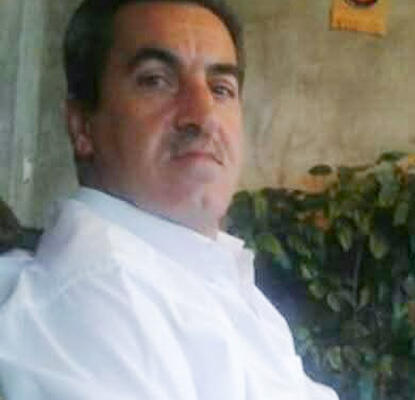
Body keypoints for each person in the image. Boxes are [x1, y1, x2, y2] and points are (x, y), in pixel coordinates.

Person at [0, 1, 339, 399]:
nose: (203, 115)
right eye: (156, 80)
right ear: (82, 127)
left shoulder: (211, 278)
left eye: (221, 89)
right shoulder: (91, 301)